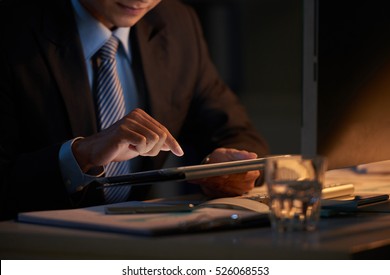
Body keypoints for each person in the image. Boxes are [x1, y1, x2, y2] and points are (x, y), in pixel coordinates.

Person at [0, 0, 269, 220]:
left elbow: (234, 131)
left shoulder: (177, 24)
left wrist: (233, 168)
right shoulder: (13, 27)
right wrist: (81, 156)